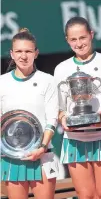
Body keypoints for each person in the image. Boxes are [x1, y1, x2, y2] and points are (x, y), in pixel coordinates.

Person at [54, 17, 101, 199]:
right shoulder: (61, 69)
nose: (79, 43)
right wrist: (63, 119)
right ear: (67, 40)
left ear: (91, 35)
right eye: (73, 39)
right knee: (85, 195)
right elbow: (59, 107)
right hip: (74, 139)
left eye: (83, 38)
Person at [0, 28, 59, 199]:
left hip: (42, 155)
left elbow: (52, 118)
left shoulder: (47, 80)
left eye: (28, 51)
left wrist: (42, 147)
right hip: (11, 157)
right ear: (11, 54)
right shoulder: (2, 82)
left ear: (36, 53)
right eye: (18, 51)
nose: (23, 56)